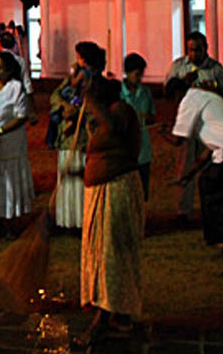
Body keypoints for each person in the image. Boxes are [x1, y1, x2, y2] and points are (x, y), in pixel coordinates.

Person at [160, 77, 223, 262]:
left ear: (177, 94)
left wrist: (163, 133)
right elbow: (209, 150)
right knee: (206, 183)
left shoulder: (189, 101)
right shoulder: (205, 97)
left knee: (214, 202)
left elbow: (179, 139)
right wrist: (189, 175)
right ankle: (214, 236)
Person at [80, 75, 143, 344]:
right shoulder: (106, 116)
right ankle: (120, 314)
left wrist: (91, 101)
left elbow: (115, 129)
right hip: (102, 190)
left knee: (112, 254)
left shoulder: (121, 112)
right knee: (105, 253)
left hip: (117, 190)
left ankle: (103, 319)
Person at [164, 31, 223, 224]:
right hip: (187, 123)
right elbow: (168, 92)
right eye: (191, 50)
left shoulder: (215, 69)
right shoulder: (178, 67)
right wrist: (184, 83)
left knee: (209, 167)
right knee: (184, 165)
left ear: (206, 48)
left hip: (209, 123)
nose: (195, 54)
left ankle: (209, 208)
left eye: (198, 50)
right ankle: (183, 210)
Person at [49, 41, 104, 229]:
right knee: (68, 177)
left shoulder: (97, 83)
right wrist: (65, 107)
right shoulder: (71, 80)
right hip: (66, 138)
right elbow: (55, 95)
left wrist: (79, 113)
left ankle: (84, 220)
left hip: (83, 138)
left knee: (82, 180)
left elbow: (98, 109)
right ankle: (66, 220)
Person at [0, 51, 34, 237]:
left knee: (10, 183)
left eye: (1, 68)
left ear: (10, 70)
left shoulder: (16, 87)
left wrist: (0, 131)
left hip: (10, 143)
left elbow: (21, 116)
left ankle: (11, 223)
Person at [121, 53, 155, 200]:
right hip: (125, 148)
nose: (140, 78)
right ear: (127, 73)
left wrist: (147, 118)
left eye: (141, 74)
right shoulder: (119, 93)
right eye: (137, 74)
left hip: (143, 149)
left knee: (141, 191)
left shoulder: (146, 92)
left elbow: (152, 116)